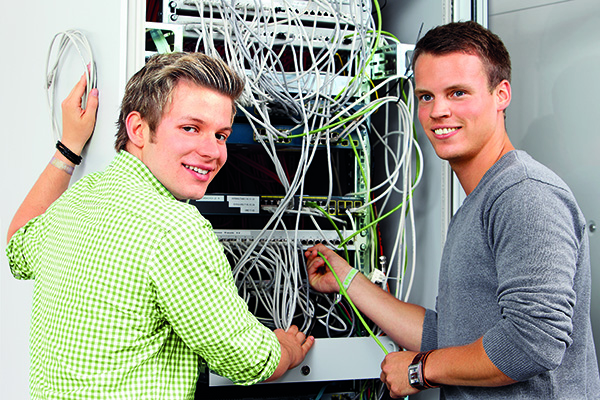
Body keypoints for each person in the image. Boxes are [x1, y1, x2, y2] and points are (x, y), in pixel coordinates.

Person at [305, 21, 600, 399]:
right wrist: (346, 280)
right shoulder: (481, 200)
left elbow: (533, 342)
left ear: (501, 94)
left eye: (458, 92)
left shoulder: (524, 195)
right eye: (426, 96)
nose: (438, 110)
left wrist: (419, 370)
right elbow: (450, 336)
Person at [6, 52, 313, 399]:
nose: (213, 152)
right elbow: (249, 361)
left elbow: (17, 243)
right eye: (190, 128)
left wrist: (68, 148)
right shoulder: (175, 229)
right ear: (138, 128)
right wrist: (287, 348)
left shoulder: (80, 197)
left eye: (221, 135)